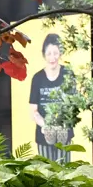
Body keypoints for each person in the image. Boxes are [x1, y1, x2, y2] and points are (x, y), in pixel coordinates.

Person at [28, 34, 74, 162]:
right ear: (44, 55)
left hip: (64, 132)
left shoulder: (68, 74)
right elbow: (33, 111)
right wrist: (46, 126)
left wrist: (62, 124)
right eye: (49, 54)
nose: (52, 57)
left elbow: (73, 105)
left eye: (55, 53)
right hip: (44, 134)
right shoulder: (37, 78)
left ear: (60, 53)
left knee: (64, 172)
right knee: (47, 174)